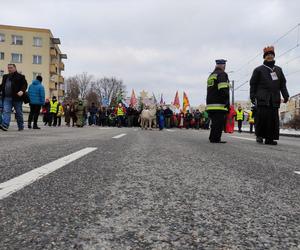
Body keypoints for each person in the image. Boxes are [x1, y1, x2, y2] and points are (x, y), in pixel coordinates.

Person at [250, 46, 289, 145]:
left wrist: (285, 95)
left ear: (274, 56)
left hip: (274, 98)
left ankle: (269, 139)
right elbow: (253, 84)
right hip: (262, 98)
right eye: (267, 55)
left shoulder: (278, 70)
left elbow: (282, 84)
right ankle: (259, 136)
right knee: (262, 118)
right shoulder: (258, 70)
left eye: (271, 55)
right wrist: (252, 96)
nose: (270, 56)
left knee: (273, 119)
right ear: (264, 57)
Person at [206, 59, 230, 143]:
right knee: (218, 122)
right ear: (223, 65)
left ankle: (212, 137)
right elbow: (223, 89)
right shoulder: (222, 74)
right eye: (224, 66)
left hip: (210, 104)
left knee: (214, 122)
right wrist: (226, 101)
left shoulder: (212, 75)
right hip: (219, 104)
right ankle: (215, 138)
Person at [0, 64, 28, 131]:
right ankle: (5, 125)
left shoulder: (20, 76)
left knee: (18, 112)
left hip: (17, 98)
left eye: (11, 68)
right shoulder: (5, 76)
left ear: (15, 68)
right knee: (6, 111)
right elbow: (2, 86)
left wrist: (22, 91)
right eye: (8, 68)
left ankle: (20, 126)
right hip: (7, 97)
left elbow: (25, 84)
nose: (9, 69)